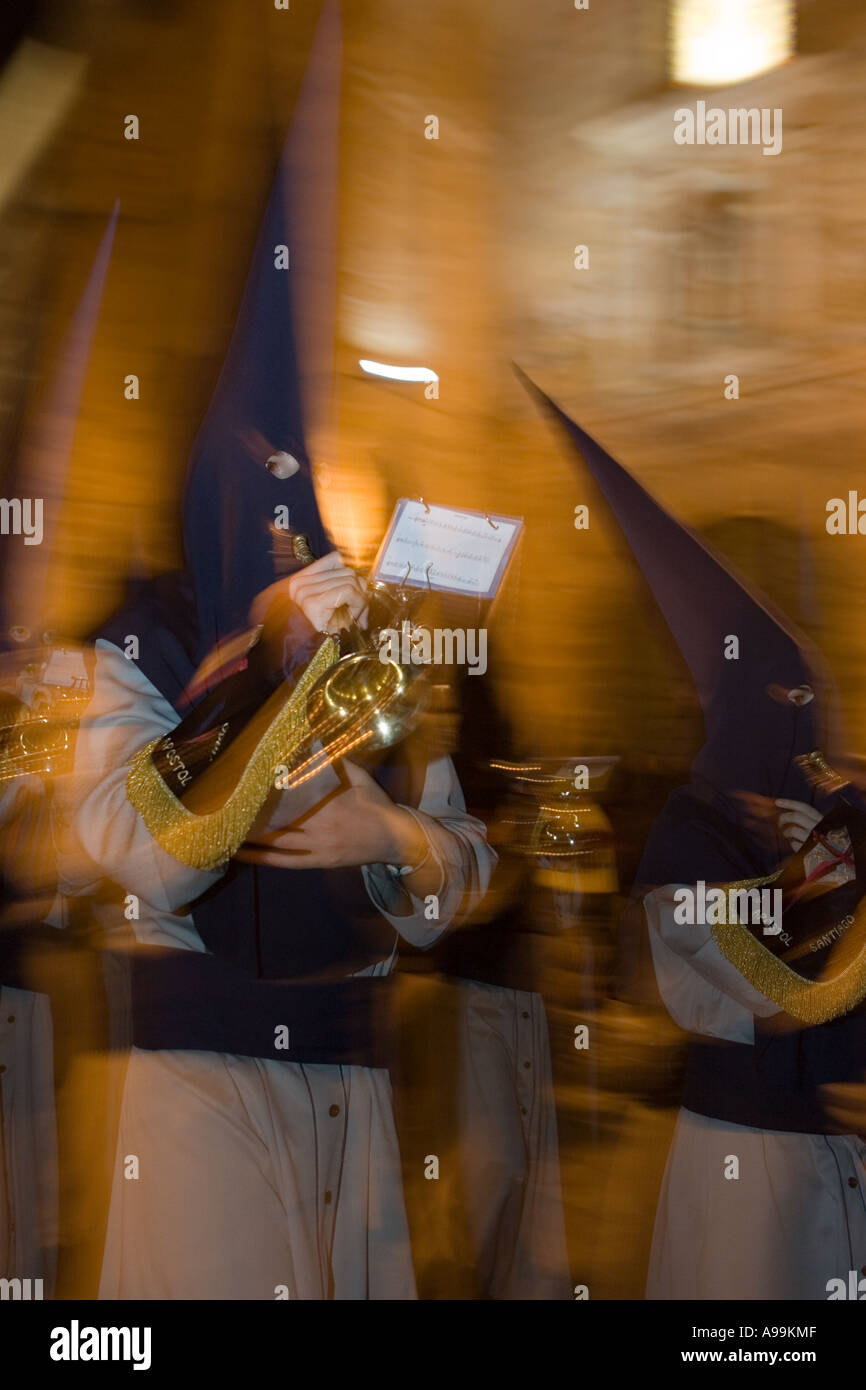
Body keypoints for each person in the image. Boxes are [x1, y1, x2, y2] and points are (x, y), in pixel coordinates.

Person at [53, 94, 494, 1297]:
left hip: (352, 1076)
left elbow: (467, 861)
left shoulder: (369, 644)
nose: (288, 526)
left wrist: (390, 833)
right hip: (201, 1080)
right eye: (261, 497)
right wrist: (260, 664)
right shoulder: (138, 648)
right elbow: (150, 853)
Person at [522, 375, 866, 1301]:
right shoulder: (687, 846)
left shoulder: (827, 817)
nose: (803, 734)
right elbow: (780, 1000)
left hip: (842, 1167)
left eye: (811, 705)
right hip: (744, 1174)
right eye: (781, 707)